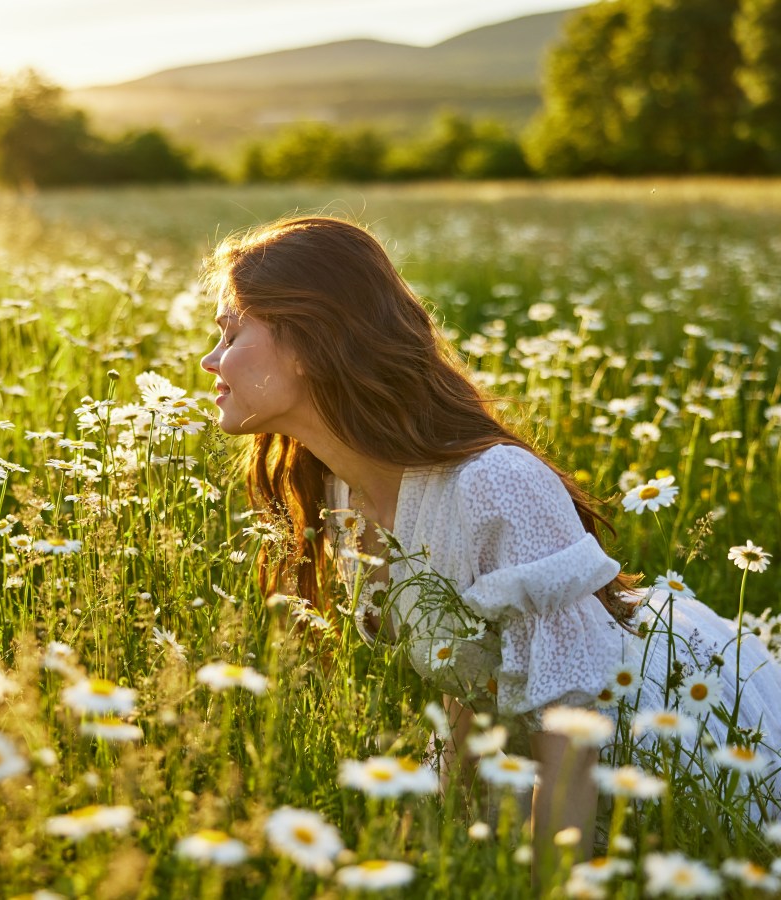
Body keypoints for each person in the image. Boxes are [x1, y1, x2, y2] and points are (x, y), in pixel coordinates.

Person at [198, 215, 781, 860]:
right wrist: (446, 821)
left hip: (665, 722)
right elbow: (470, 665)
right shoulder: (338, 492)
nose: (210, 360)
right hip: (542, 745)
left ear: (310, 341)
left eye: (231, 333)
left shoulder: (494, 485)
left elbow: (572, 723)